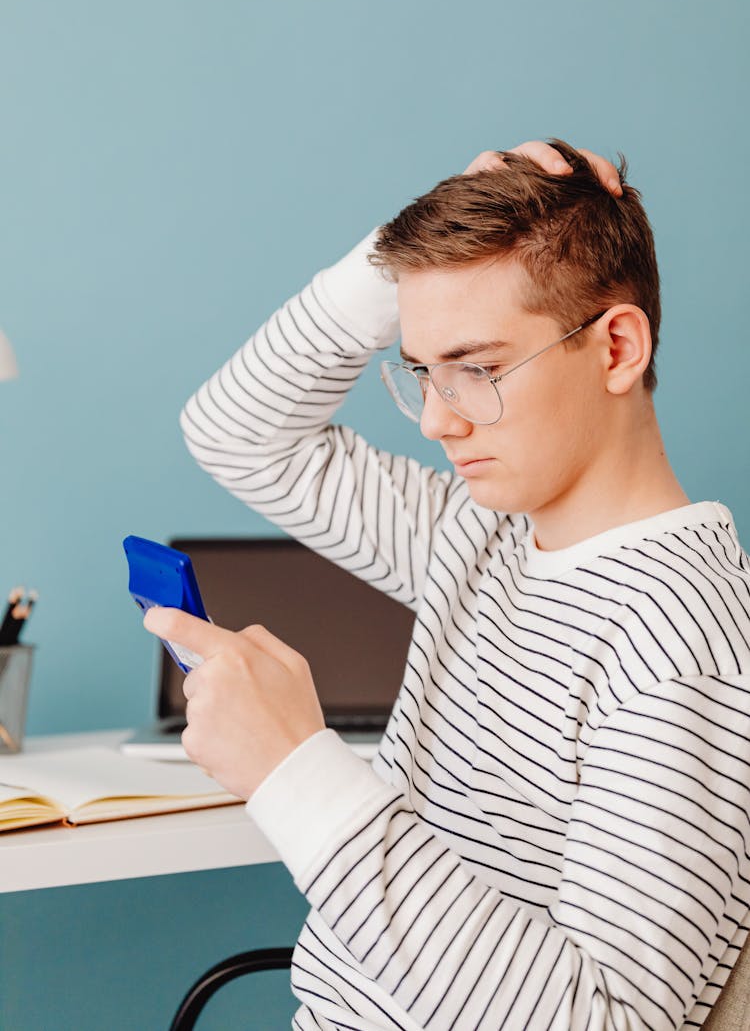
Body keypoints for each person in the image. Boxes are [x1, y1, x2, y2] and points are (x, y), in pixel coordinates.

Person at [144, 139, 750, 1029]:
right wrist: (393, 260)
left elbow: (613, 1021)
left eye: (478, 367)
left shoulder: (682, 644)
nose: (436, 419)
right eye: (423, 371)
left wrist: (299, 773)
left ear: (617, 346)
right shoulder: (481, 535)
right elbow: (239, 433)